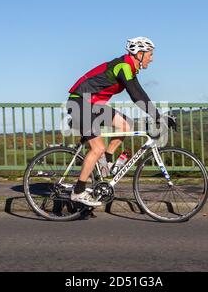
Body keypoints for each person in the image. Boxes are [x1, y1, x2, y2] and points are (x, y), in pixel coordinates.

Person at [66, 37, 176, 207]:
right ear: (139, 54)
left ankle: (106, 162)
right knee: (98, 148)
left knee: (126, 125)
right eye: (150, 54)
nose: (151, 58)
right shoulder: (123, 66)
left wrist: (157, 115)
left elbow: (140, 93)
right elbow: (136, 95)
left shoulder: (128, 67)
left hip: (93, 105)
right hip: (80, 102)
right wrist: (157, 117)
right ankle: (78, 191)